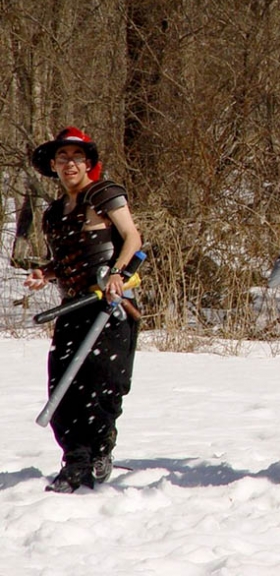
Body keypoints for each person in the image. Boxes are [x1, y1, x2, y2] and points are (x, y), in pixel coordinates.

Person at [25, 127, 143, 493]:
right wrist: (45, 272)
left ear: (88, 163)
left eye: (76, 157)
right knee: (63, 384)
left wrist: (119, 274)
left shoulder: (104, 193)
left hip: (110, 305)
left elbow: (133, 238)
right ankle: (74, 458)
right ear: (54, 166)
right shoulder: (54, 214)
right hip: (73, 306)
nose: (70, 164)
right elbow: (65, 260)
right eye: (62, 158)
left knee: (103, 383)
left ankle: (95, 452)